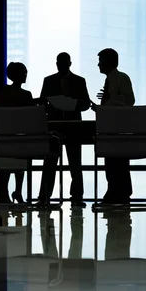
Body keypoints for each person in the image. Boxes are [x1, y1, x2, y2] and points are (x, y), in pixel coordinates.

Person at [38, 52, 91, 207]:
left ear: (69, 63)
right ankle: (45, 197)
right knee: (52, 162)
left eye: (63, 63)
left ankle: (75, 197)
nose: (60, 65)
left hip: (72, 126)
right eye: (59, 63)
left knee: (74, 163)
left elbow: (86, 103)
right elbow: (42, 102)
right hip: (56, 126)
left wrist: (72, 104)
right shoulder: (49, 80)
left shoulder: (79, 81)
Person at [91, 48, 135, 204]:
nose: (98, 65)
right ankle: (117, 190)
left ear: (109, 62)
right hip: (112, 126)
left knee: (116, 161)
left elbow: (129, 101)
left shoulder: (120, 78)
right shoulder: (114, 79)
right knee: (113, 162)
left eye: (101, 61)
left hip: (116, 127)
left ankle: (118, 191)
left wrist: (110, 101)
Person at [0, 62, 36, 204]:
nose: (26, 75)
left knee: (6, 159)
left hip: (5, 136)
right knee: (22, 157)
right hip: (21, 137)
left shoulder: (3, 92)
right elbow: (30, 114)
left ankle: (4, 192)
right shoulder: (26, 95)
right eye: (24, 72)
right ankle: (18, 191)